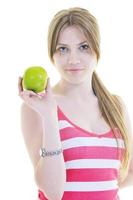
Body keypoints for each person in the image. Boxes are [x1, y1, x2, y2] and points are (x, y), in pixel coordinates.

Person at [18, 7, 133, 200]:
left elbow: (127, 173)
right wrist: (49, 114)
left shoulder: (116, 106)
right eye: (63, 49)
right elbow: (53, 192)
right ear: (52, 55)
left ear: (97, 50)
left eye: (83, 47)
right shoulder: (37, 107)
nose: (73, 59)